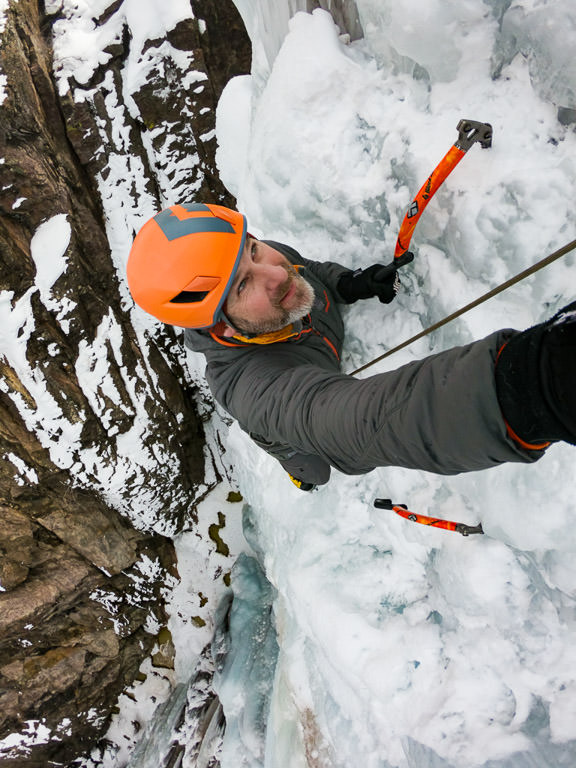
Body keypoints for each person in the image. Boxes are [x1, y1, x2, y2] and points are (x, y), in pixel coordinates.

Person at [127, 202, 575, 491]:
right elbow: (353, 421)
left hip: (311, 354)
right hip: (287, 426)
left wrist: (349, 283)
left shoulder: (271, 262)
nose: (276, 272)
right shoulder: (250, 389)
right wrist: (533, 389)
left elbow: (307, 269)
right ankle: (295, 468)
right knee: (315, 470)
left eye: (254, 248)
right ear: (222, 327)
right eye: (244, 285)